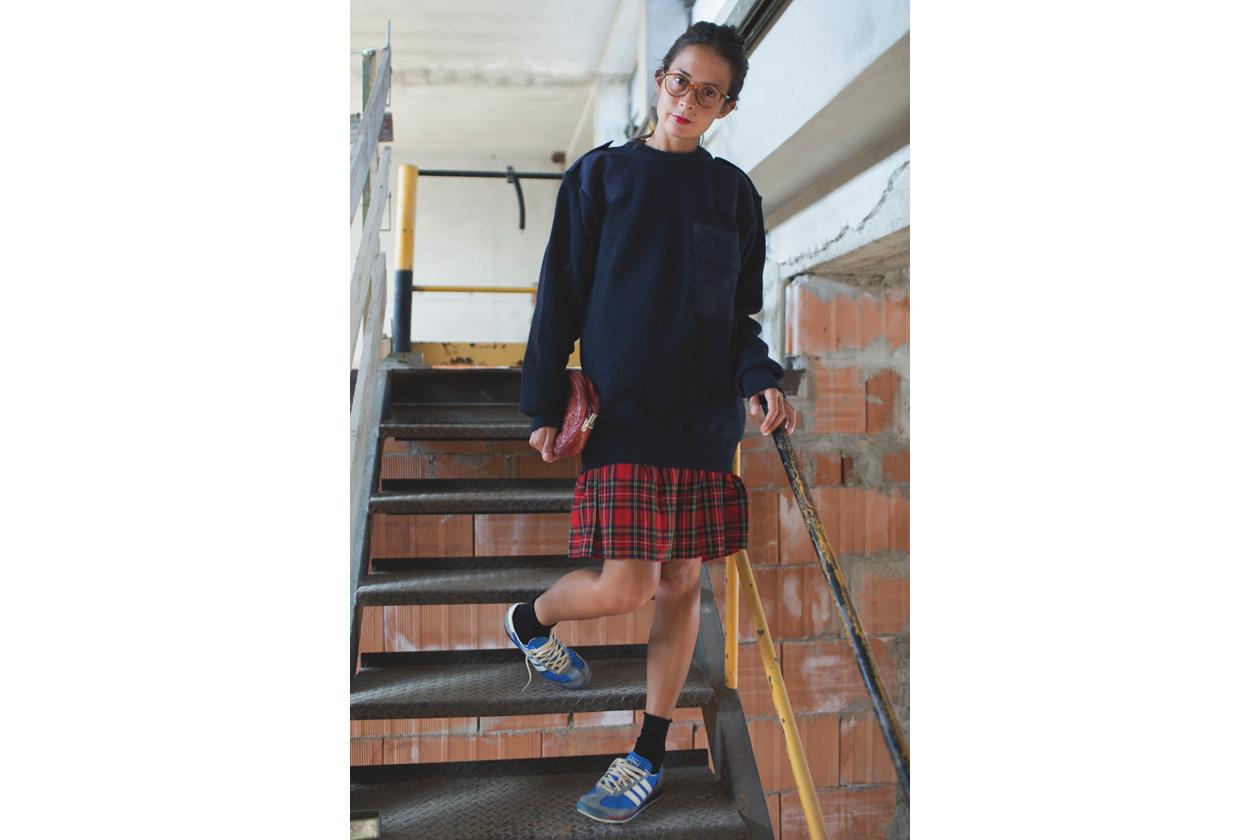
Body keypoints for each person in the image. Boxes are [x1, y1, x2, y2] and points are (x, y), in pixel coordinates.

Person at [506, 21, 797, 825]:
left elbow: (737, 317)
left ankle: (648, 753)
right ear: (660, 79)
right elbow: (560, 293)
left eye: (709, 92)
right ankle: (531, 619)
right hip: (624, 414)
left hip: (704, 422)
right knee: (628, 584)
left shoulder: (733, 195)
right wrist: (541, 401)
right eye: (679, 81)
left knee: (678, 584)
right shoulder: (601, 176)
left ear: (725, 107)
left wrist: (759, 379)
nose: (687, 100)